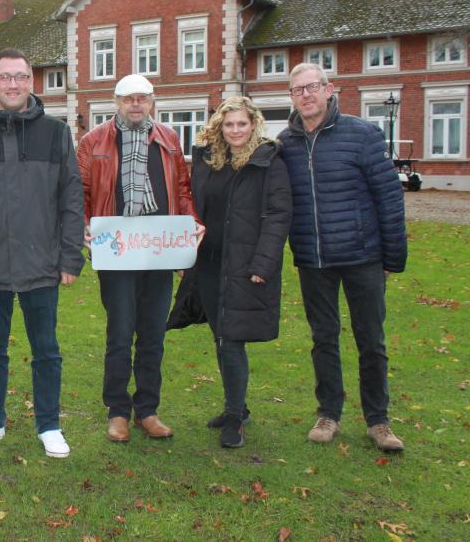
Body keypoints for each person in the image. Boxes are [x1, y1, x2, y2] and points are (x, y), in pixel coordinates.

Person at [0, 48, 85, 459]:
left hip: (42, 264)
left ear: (31, 82)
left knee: (46, 349)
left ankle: (49, 424)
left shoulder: (56, 133)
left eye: (20, 76)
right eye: (4, 77)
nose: (12, 84)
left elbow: (71, 199)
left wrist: (70, 256)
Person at [279, 63, 408, 452]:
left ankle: (378, 420)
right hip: (314, 258)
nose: (307, 95)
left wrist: (392, 257)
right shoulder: (286, 143)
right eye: (298, 89)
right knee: (324, 338)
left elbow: (389, 198)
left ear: (329, 89)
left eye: (313, 87)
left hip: (362, 255)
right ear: (292, 97)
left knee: (371, 339)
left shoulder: (362, 135)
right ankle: (329, 412)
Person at [77, 73, 202, 443]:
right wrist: (84, 227)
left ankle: (147, 409)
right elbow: (81, 191)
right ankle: (117, 411)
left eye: (142, 98)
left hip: (159, 246)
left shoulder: (169, 139)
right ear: (116, 102)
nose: (135, 104)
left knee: (152, 333)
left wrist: (191, 221)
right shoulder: (93, 141)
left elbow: (182, 188)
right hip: (116, 248)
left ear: (152, 102)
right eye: (128, 98)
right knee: (119, 332)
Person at [167, 97, 291, 448]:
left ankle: (235, 417)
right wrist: (184, 252)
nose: (235, 130)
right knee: (222, 336)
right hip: (209, 262)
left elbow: (278, 216)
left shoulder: (268, 161)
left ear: (254, 125)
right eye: (229, 124)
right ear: (220, 127)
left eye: (242, 124)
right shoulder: (209, 161)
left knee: (232, 339)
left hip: (244, 264)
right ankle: (238, 405)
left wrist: (263, 265)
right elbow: (193, 207)